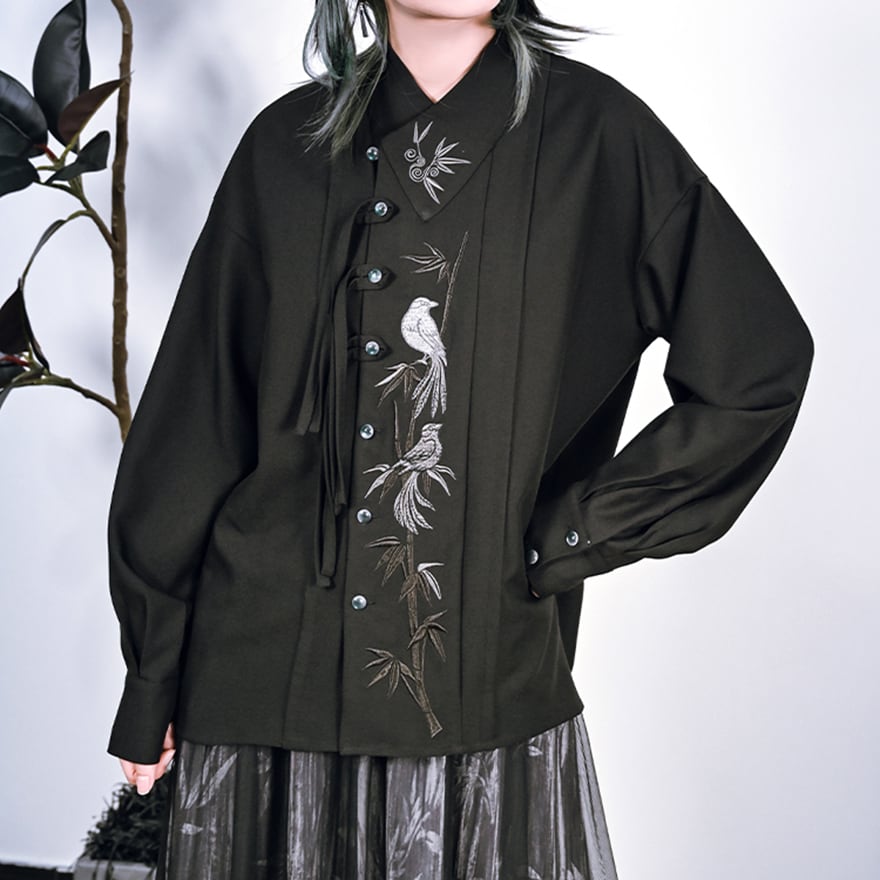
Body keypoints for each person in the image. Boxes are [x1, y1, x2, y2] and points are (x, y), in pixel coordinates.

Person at [105, 1, 814, 877]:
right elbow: (196, 422)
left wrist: (573, 533)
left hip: (480, 691)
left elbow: (755, 366)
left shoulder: (598, 136)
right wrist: (152, 676)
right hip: (258, 688)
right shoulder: (284, 144)